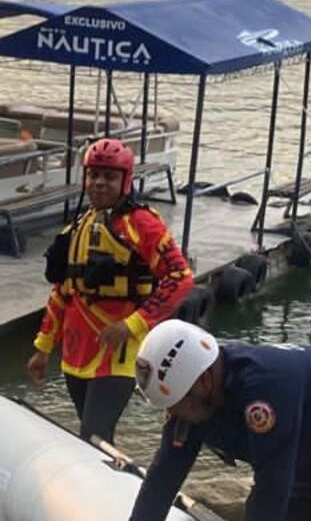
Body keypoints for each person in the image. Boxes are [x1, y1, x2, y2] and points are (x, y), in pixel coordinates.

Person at [129, 320, 311, 521]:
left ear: (204, 381)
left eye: (178, 404)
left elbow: (271, 487)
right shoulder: (193, 398)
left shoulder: (264, 389)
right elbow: (163, 478)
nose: (175, 415)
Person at [26, 138, 193, 445]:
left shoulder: (142, 224)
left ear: (125, 180)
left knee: (94, 436)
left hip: (119, 353)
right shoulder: (78, 226)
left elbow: (180, 277)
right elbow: (62, 291)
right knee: (94, 437)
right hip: (77, 351)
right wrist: (43, 347)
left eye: (110, 176)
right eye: (94, 175)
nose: (100, 183)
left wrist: (133, 325)